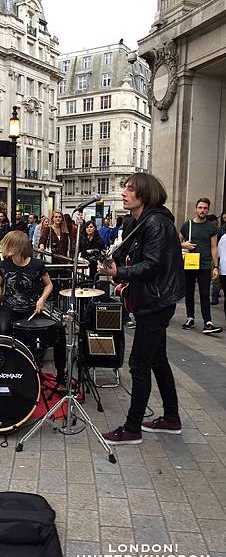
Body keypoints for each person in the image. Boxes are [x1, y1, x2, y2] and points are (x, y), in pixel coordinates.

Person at [97, 172, 185, 445]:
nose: (124, 192)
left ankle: (132, 428)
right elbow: (126, 255)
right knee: (158, 360)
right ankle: (171, 419)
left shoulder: (157, 223)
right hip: (150, 300)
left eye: (130, 188)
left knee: (139, 363)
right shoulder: (137, 222)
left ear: (144, 195)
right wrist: (112, 264)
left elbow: (153, 265)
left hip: (156, 303)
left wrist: (120, 272)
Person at [0, 230, 66, 386]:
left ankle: (60, 373)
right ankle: (0, 371)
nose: (4, 249)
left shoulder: (37, 265)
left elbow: (49, 284)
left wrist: (42, 300)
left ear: (17, 247)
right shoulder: (3, 265)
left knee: (59, 329)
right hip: (9, 309)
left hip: (32, 309)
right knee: (0, 330)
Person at [179, 198, 222, 334]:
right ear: (196, 209)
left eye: (205, 208)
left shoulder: (211, 227)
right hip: (190, 263)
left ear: (208, 210)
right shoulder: (187, 225)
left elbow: (214, 247)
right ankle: (190, 318)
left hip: (204, 265)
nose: (202, 210)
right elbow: (175, 241)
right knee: (189, 293)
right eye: (200, 208)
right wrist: (183, 245)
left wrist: (216, 266)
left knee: (204, 294)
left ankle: (207, 322)